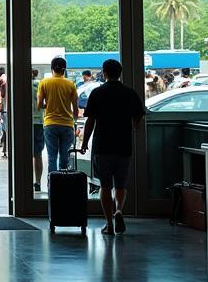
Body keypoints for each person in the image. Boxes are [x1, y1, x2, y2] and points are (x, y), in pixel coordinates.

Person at [79, 57, 146, 236]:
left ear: (105, 73)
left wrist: (84, 142)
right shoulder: (130, 93)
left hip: (103, 145)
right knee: (121, 185)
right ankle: (119, 211)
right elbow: (139, 116)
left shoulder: (97, 93)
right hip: (124, 144)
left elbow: (90, 121)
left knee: (105, 186)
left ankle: (109, 224)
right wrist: (135, 126)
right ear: (120, 73)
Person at [37, 56, 78, 173]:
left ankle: (53, 186)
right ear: (64, 69)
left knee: (52, 157)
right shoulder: (70, 84)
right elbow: (75, 107)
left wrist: (48, 105)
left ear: (52, 68)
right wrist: (74, 119)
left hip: (50, 124)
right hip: (67, 124)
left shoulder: (44, 83)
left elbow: (39, 104)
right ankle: (63, 185)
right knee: (65, 157)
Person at [31, 68, 44, 192]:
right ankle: (38, 182)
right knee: (37, 154)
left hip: (23, 123)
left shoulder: (18, 84)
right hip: (39, 121)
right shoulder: (40, 84)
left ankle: (26, 181)